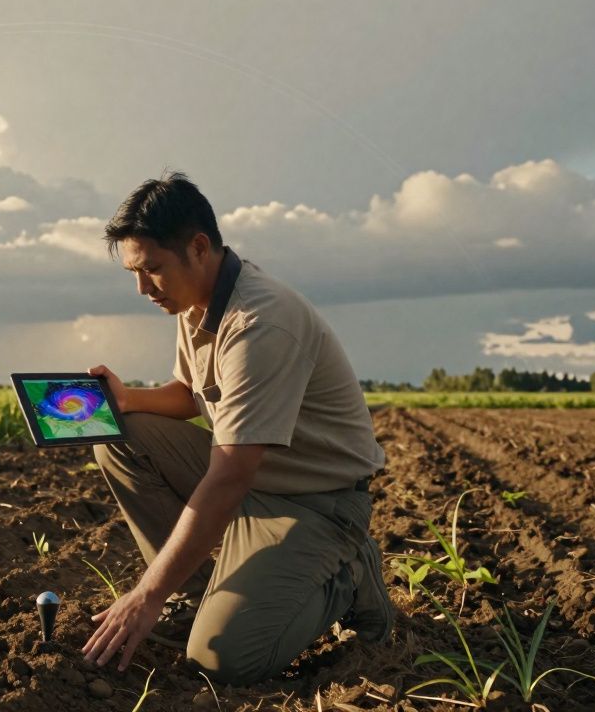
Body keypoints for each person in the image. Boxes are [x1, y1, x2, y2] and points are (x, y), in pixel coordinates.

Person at [80, 171, 394, 684]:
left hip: (315, 502)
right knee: (120, 433)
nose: (142, 289)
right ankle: (197, 594)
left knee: (222, 660)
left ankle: (350, 575)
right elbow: (189, 394)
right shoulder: (194, 301)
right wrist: (127, 398)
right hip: (259, 482)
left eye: (152, 269)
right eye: (134, 273)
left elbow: (229, 478)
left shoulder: (260, 323)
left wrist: (145, 595)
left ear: (198, 248)